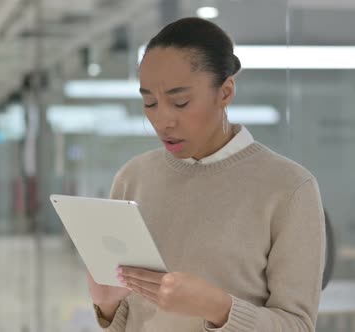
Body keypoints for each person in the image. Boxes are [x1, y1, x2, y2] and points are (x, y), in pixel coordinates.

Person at [87, 17, 325, 332]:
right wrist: (107, 305)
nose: (162, 120)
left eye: (180, 102)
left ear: (225, 92)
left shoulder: (290, 188)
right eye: (150, 102)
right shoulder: (133, 177)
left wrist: (219, 308)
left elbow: (298, 326)